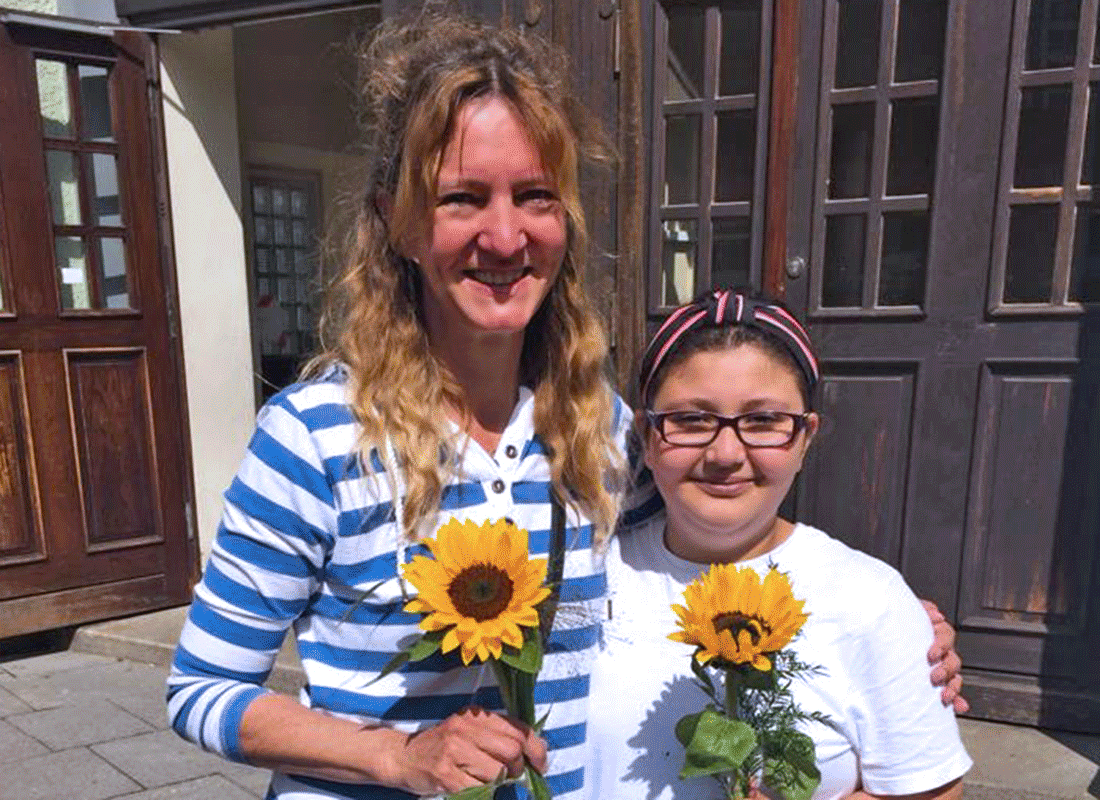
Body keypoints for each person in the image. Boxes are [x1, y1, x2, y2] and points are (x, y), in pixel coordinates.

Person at [167, 9, 964, 800]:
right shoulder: (315, 436)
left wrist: (885, 630)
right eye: (463, 198)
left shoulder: (602, 429)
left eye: (536, 196)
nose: (506, 237)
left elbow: (698, 561)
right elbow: (203, 690)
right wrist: (396, 758)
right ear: (398, 221)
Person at [586, 289, 972, 800]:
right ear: (647, 434)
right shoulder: (584, 579)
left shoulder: (867, 599)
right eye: (691, 420)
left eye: (763, 421)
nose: (725, 453)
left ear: (806, 437)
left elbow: (933, 791)